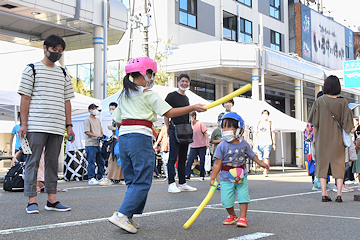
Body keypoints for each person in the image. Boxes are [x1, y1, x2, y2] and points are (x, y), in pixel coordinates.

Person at [108, 57, 207, 234]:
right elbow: (169, 112)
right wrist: (192, 107)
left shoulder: (124, 94)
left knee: (132, 180)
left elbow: (117, 120)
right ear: (145, 73)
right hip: (140, 138)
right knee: (143, 179)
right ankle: (122, 215)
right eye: (152, 74)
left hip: (123, 138)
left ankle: (128, 216)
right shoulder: (149, 94)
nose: (153, 78)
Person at [17, 34, 74, 214]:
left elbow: (67, 101)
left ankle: (52, 199)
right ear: (45, 48)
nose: (57, 54)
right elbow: (25, 98)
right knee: (32, 162)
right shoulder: (31, 69)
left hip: (57, 126)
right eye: (54, 50)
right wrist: (23, 124)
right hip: (36, 124)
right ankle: (31, 200)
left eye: (60, 51)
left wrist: (69, 125)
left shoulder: (64, 73)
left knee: (52, 164)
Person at [210, 112, 269, 227]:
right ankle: (232, 215)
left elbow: (252, 155)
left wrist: (261, 163)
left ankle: (243, 217)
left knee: (243, 196)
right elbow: (217, 163)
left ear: (238, 129)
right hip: (226, 177)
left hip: (241, 176)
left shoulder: (244, 144)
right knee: (226, 200)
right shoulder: (222, 145)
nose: (225, 130)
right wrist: (212, 178)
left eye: (228, 127)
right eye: (223, 127)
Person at [308, 75, 353, 203]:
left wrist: (314, 138)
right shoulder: (343, 102)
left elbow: (314, 123)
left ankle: (324, 193)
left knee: (322, 165)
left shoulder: (319, 101)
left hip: (322, 139)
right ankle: (339, 194)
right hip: (337, 139)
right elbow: (347, 123)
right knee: (339, 165)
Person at [165, 73, 199, 193]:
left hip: (185, 130)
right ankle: (171, 183)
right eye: (183, 81)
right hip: (175, 129)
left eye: (187, 82)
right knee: (173, 157)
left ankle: (182, 182)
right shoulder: (171, 96)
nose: (185, 83)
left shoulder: (186, 98)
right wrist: (167, 127)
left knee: (183, 157)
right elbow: (166, 112)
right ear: (178, 82)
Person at [84, 103, 107, 185]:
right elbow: (87, 132)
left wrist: (102, 136)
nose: (95, 110)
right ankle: (91, 177)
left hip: (98, 144)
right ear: (89, 110)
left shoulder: (98, 120)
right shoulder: (87, 120)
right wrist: (97, 135)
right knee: (91, 161)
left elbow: (101, 130)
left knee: (101, 161)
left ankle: (100, 177)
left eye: (96, 108)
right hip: (90, 144)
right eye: (93, 109)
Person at [185, 111, 210, 181]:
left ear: (194, 116)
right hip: (193, 145)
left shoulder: (200, 123)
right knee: (189, 160)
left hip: (202, 145)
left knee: (202, 161)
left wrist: (207, 143)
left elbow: (206, 134)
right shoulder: (189, 125)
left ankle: (202, 175)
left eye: (190, 117)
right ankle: (188, 175)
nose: (190, 119)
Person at [253, 110, 276, 177]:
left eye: (266, 114)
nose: (265, 115)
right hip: (259, 143)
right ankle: (264, 167)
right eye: (264, 114)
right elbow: (255, 132)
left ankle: (265, 171)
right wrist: (254, 141)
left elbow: (273, 133)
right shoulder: (258, 123)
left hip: (268, 142)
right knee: (260, 158)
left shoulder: (270, 123)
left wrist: (274, 143)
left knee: (266, 157)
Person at [106, 102, 124, 185]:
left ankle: (112, 177)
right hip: (114, 141)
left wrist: (112, 128)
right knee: (115, 159)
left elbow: (121, 128)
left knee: (115, 159)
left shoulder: (119, 118)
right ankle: (116, 177)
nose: (111, 111)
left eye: (113, 109)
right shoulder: (114, 119)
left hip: (118, 140)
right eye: (110, 109)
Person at [210, 113, 224, 189]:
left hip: (226, 153)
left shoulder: (227, 131)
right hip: (217, 152)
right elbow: (211, 141)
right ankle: (219, 182)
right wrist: (219, 141)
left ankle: (225, 182)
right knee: (217, 169)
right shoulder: (216, 131)